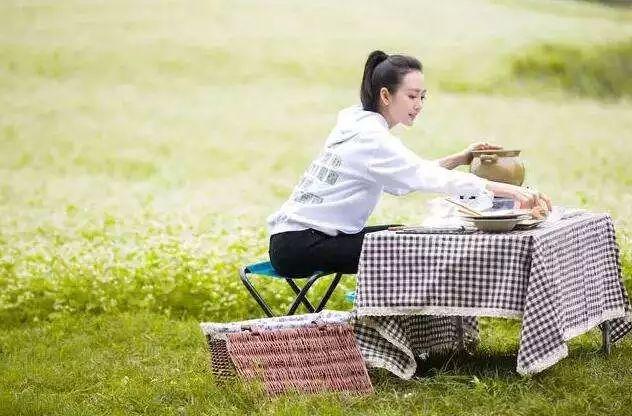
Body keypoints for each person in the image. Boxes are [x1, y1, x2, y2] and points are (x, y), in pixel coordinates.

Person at [266, 50, 551, 277]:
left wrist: (462, 158)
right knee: (408, 246)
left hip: (295, 241)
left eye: (423, 97)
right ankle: (388, 324)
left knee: (404, 234)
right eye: (412, 96)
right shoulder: (372, 139)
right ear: (386, 95)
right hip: (303, 246)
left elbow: (405, 179)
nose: (419, 105)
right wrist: (510, 190)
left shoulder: (355, 121)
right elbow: (420, 176)